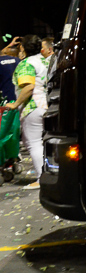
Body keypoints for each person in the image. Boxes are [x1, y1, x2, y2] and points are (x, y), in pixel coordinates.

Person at [7, 35, 48, 189]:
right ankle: (51, 174)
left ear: (23, 48)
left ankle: (41, 178)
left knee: (33, 143)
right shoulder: (45, 60)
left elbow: (28, 87)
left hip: (33, 106)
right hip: (47, 104)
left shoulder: (27, 63)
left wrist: (16, 104)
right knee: (45, 143)